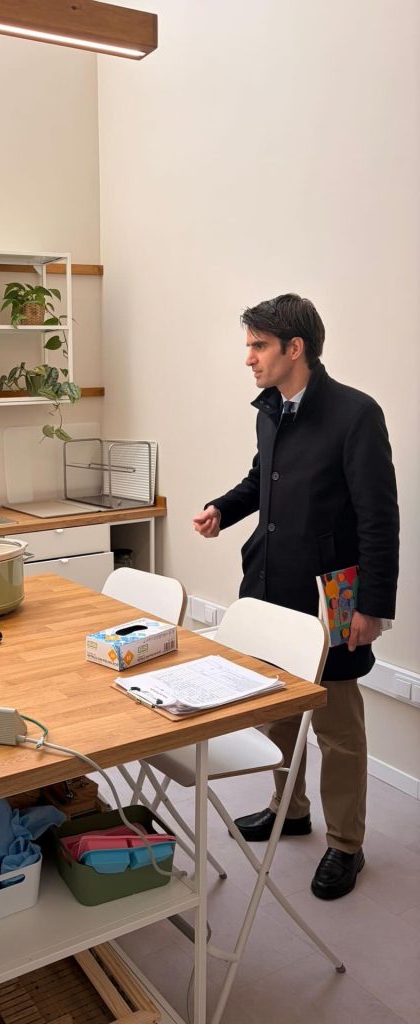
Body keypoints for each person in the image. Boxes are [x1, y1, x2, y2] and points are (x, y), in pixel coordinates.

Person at [193, 293, 399, 901]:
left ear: (294, 348)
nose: (249, 358)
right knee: (281, 708)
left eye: (258, 346)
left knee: (337, 723)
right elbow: (263, 478)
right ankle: (291, 808)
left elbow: (378, 517)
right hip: (273, 584)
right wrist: (223, 510)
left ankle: (345, 845)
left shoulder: (356, 414)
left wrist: (370, 605)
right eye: (250, 346)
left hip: (334, 593)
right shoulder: (270, 409)